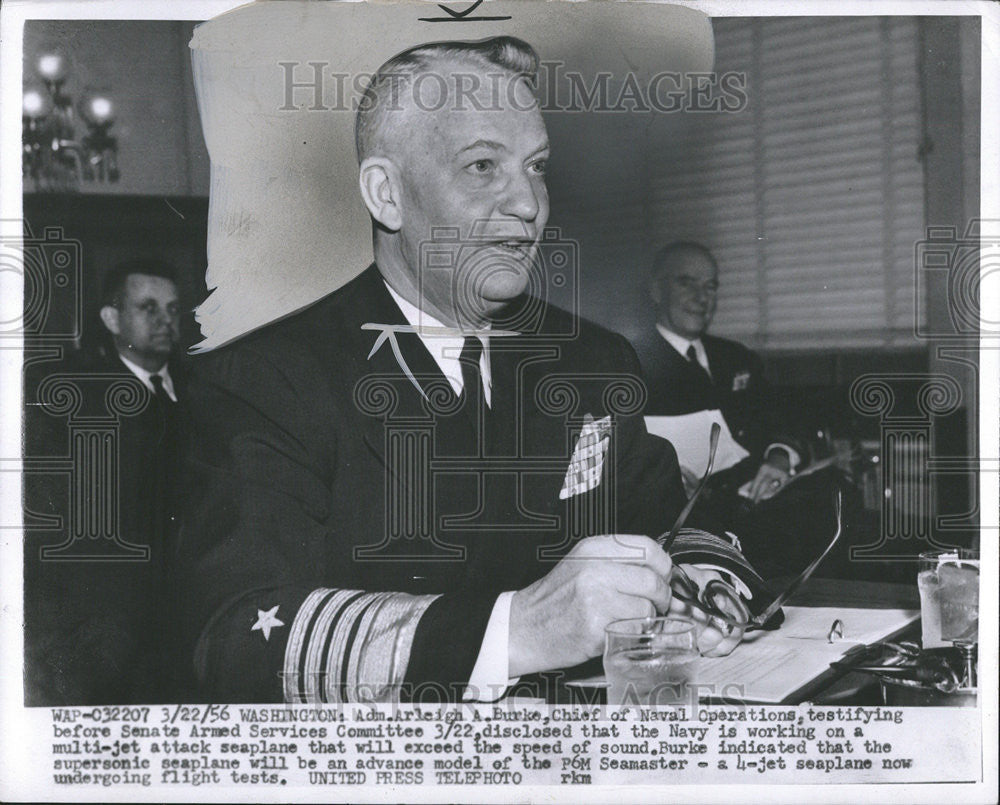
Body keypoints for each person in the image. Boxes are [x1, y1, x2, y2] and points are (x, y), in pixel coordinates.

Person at [176, 38, 772, 705]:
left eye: (538, 167)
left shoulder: (592, 362)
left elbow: (671, 519)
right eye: (483, 165)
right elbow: (238, 639)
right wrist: (518, 630)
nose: (529, 203)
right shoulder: (265, 379)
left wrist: (698, 584)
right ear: (387, 193)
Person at [23, 259, 188, 704]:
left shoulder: (202, 390)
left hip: (188, 619)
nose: (164, 322)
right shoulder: (77, 397)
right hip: (108, 626)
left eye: (173, 310)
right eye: (148, 308)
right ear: (112, 319)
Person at [642, 242, 843, 576]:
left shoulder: (736, 357)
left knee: (833, 506)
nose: (701, 297)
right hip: (683, 520)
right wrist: (660, 478)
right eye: (685, 282)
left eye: (710, 286)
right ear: (656, 290)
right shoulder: (631, 361)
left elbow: (785, 416)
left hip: (758, 505)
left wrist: (779, 458)